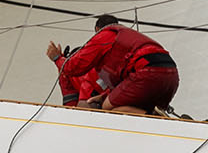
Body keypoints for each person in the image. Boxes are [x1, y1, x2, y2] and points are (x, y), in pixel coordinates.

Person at [47, 14, 178, 116]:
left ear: (97, 30)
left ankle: (154, 117)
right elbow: (124, 83)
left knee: (107, 108)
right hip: (171, 76)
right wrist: (104, 96)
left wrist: (57, 58)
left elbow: (73, 67)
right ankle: (156, 116)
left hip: (147, 73)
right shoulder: (128, 36)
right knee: (128, 108)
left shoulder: (104, 35)